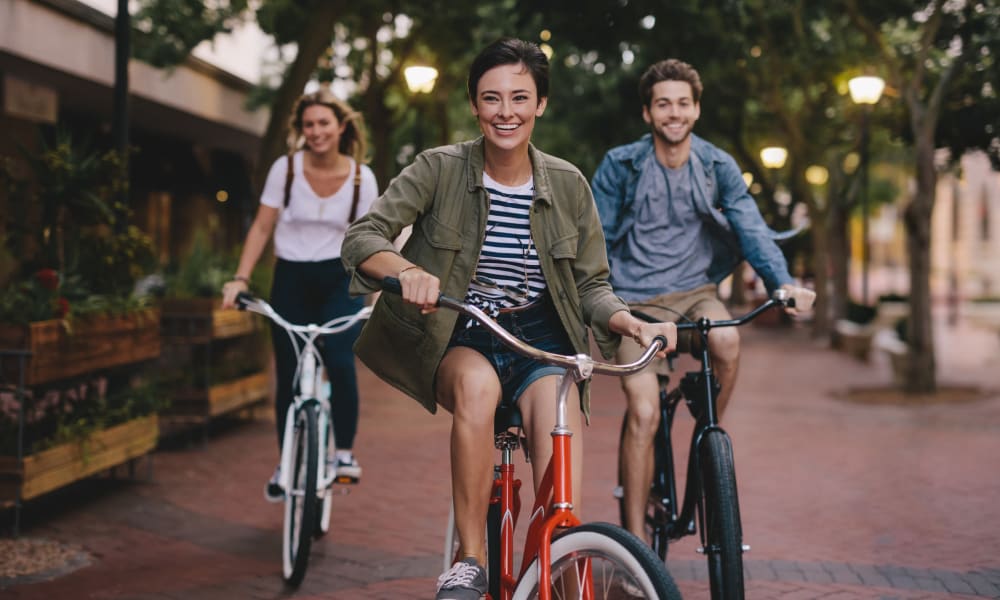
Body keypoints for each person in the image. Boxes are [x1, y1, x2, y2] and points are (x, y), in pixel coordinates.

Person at [341, 38, 678, 600]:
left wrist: (631, 323)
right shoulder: (439, 168)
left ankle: (559, 559)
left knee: (556, 439)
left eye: (520, 97)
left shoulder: (569, 184)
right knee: (476, 389)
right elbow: (362, 239)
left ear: (541, 104)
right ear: (474, 105)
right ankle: (470, 558)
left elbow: (592, 284)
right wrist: (405, 271)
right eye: (491, 98)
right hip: (464, 330)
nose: (506, 112)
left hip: (542, 339)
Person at [591, 58, 817, 542]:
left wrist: (782, 283)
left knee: (730, 342)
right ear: (648, 114)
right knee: (645, 413)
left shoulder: (716, 166)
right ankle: (635, 550)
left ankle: (704, 437)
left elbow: (751, 230)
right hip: (634, 305)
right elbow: (597, 243)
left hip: (696, 294)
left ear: (696, 109)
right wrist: (599, 304)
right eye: (663, 104)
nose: (674, 113)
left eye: (683, 103)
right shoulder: (620, 165)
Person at [221, 89, 378, 501]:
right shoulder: (285, 170)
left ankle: (343, 453)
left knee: (341, 360)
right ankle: (286, 460)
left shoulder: (362, 177)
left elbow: (374, 239)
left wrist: (378, 294)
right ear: (301, 129)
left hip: (340, 277)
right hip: (290, 277)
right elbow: (260, 228)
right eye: (308, 124)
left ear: (341, 127)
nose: (316, 132)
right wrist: (240, 278)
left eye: (324, 123)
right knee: (289, 373)